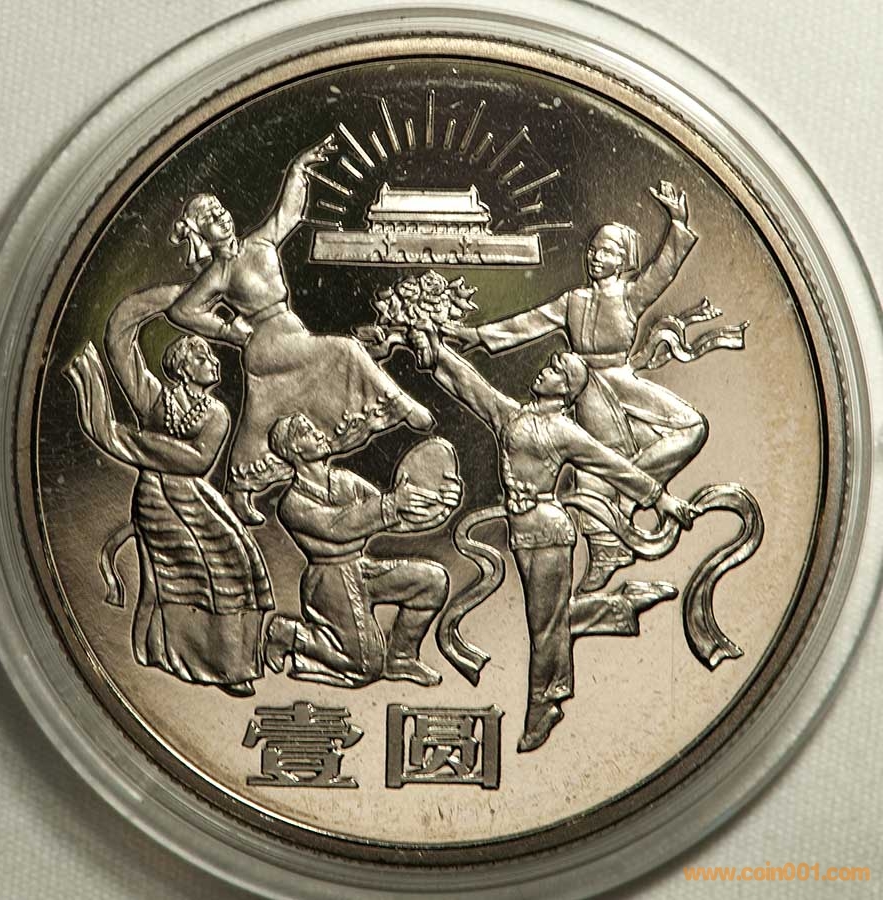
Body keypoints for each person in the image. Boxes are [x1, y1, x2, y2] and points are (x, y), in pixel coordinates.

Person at [115, 136, 434, 527]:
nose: (222, 218)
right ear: (203, 234)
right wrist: (229, 331)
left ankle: (239, 490)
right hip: (267, 341)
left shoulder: (260, 243)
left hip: (287, 334)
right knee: (345, 351)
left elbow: (288, 214)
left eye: (220, 211)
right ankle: (400, 404)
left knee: (261, 416)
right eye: (212, 219)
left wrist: (298, 170)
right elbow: (183, 310)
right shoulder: (220, 272)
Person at [412, 329, 695, 751]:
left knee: (543, 625)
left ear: (565, 390)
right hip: (521, 531)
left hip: (550, 531)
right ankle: (623, 606)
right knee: (549, 617)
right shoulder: (514, 416)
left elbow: (613, 465)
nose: (544, 371)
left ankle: (544, 705)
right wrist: (435, 351)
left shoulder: (565, 432)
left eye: (555, 370)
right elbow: (471, 387)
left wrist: (662, 499)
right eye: (550, 365)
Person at [443, 181, 704, 590]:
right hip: (583, 385)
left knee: (692, 426)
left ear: (622, 261)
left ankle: (629, 489)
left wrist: (677, 225)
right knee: (590, 466)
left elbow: (663, 271)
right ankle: (606, 548)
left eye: (606, 251)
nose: (595, 256)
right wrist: (478, 336)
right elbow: (530, 321)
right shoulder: (574, 300)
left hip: (621, 380)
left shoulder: (631, 296)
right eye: (594, 249)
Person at [66, 293, 274, 697]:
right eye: (203, 356)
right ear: (182, 365)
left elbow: (197, 461)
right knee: (188, 571)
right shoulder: (155, 399)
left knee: (237, 559)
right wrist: (182, 296)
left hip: (194, 498)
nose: (214, 362)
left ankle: (230, 660)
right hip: (156, 501)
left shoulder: (217, 414)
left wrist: (131, 440)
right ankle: (184, 657)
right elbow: (119, 336)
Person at [262, 414, 461, 688]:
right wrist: (392, 504)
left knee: (432, 582)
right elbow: (337, 527)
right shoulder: (292, 503)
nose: (319, 433)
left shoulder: (346, 481)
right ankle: (290, 633)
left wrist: (438, 505)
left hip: (361, 568)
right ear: (294, 449)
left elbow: (395, 518)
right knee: (366, 667)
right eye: (307, 432)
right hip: (328, 581)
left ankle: (401, 657)